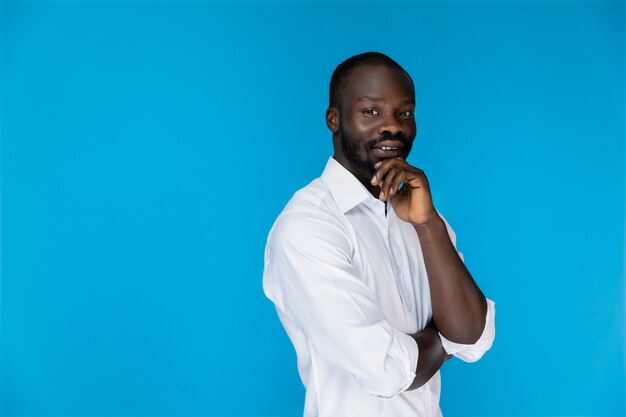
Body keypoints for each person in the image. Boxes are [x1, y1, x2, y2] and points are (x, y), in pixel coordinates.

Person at [262, 52, 496, 417]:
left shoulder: (422, 216)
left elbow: (475, 338)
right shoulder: (307, 226)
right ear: (334, 120)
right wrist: (446, 338)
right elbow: (388, 371)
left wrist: (428, 225)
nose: (392, 127)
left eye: (404, 113)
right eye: (371, 112)